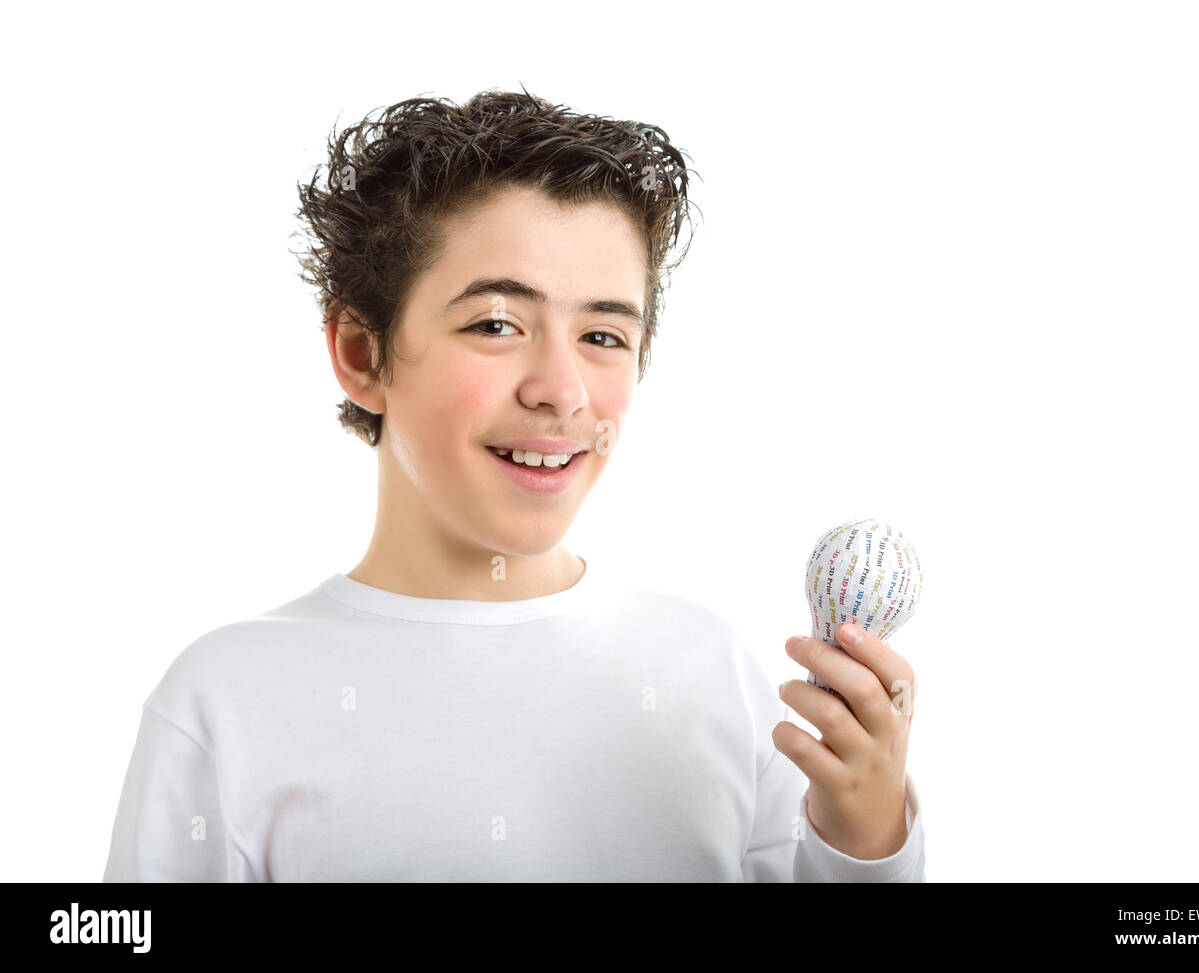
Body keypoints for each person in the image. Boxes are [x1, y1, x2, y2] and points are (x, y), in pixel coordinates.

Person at [102, 90, 925, 881]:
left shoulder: (714, 673)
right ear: (362, 352)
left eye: (603, 333)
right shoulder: (225, 701)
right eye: (497, 323)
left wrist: (865, 840)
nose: (561, 390)